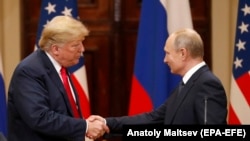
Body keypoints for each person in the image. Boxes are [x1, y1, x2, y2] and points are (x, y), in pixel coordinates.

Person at [89, 28, 228, 136]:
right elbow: (153, 119)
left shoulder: (207, 84)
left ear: (183, 53)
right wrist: (106, 123)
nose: (165, 60)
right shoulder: (185, 85)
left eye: (168, 53)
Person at [7, 15, 109, 141]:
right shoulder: (29, 71)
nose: (82, 49)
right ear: (55, 49)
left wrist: (84, 125)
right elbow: (40, 118)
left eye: (81, 43)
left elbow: (65, 112)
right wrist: (85, 126)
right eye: (75, 45)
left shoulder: (61, 67)